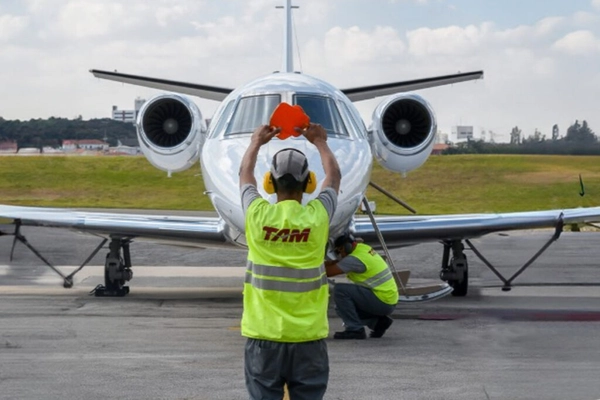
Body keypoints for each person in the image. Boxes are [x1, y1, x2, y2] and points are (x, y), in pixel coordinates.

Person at [239, 122, 341, 400]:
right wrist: (320, 142)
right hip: (308, 340)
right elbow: (333, 178)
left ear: (269, 182)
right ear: (309, 183)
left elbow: (244, 175)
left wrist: (255, 142)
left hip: (264, 339)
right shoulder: (318, 217)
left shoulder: (257, 215)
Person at [325, 233, 399, 339]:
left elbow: (327, 272)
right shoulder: (362, 249)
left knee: (340, 290)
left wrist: (306, 265)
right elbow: (338, 262)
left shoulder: (354, 260)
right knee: (341, 308)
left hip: (382, 301)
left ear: (346, 247)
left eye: (339, 250)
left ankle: (355, 330)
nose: (339, 254)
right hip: (387, 298)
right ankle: (377, 323)